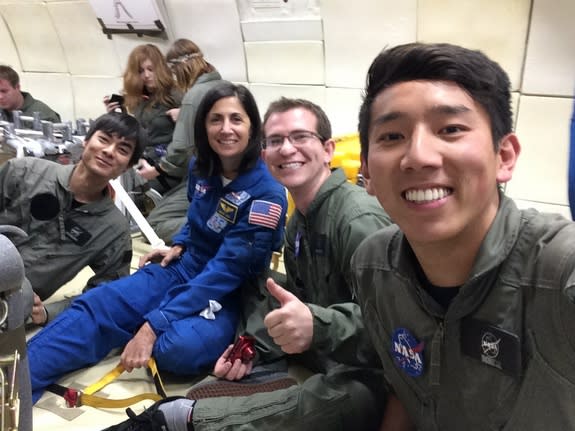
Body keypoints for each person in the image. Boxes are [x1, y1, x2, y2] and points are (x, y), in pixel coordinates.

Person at [105, 98, 396, 431]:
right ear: (264, 156)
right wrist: (252, 347)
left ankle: (180, 419)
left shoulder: (357, 220)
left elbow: (392, 326)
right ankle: (258, 376)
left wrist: (317, 325)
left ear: (328, 149)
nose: (287, 149)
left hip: (372, 368)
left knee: (348, 396)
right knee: (255, 279)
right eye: (275, 141)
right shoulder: (298, 221)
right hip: (325, 349)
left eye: (300, 137)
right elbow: (295, 297)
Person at [351, 42, 575, 429]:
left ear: (504, 156)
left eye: (450, 129)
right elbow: (405, 391)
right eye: (391, 136)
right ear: (367, 173)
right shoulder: (373, 266)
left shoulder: (558, 272)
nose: (418, 155)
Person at [27, 82, 287, 404]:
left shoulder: (267, 195)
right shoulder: (201, 167)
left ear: (252, 128)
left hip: (230, 293)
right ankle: (14, 383)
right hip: (184, 267)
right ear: (203, 126)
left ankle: (153, 320)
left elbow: (226, 272)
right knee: (98, 305)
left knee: (175, 350)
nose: (226, 129)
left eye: (236, 119)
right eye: (215, 119)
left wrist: (153, 325)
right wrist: (180, 243)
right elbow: (196, 217)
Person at [0, 112, 146, 325]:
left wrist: (50, 312)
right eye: (104, 139)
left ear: (126, 167)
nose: (109, 151)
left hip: (11, 306)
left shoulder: (113, 231)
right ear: (86, 142)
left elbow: (107, 294)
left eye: (122, 150)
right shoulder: (24, 172)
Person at [143, 38, 225, 243]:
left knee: (153, 224)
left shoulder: (193, 96)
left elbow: (180, 148)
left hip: (209, 177)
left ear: (179, 69)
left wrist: (158, 170)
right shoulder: (226, 87)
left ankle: (220, 227)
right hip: (229, 175)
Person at [104, 44, 183, 194]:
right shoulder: (136, 98)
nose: (146, 75)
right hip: (143, 162)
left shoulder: (176, 96)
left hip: (168, 168)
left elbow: (186, 142)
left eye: (150, 69)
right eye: (141, 71)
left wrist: (185, 116)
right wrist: (114, 116)